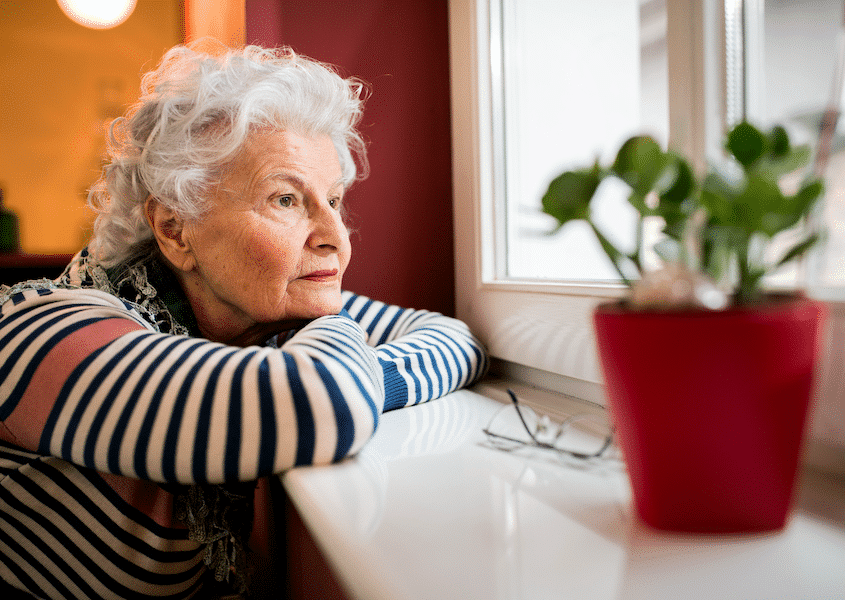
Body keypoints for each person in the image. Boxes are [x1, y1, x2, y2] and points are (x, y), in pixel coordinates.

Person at [0, 42, 487, 599]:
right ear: (176, 229)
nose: (336, 237)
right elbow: (328, 400)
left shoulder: (259, 312)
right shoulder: (38, 331)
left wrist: (344, 353)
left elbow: (455, 339)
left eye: (333, 199)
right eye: (285, 199)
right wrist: (336, 347)